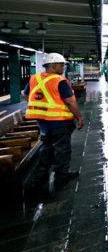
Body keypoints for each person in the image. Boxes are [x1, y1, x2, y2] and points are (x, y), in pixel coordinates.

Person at [22, 53, 85, 191]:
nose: (63, 67)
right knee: (62, 149)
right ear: (53, 65)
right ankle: (61, 176)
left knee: (46, 147)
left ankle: (40, 176)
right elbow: (70, 102)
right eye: (61, 65)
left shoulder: (35, 78)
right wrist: (79, 117)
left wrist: (40, 105)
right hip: (59, 122)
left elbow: (25, 95)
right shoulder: (60, 81)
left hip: (43, 122)